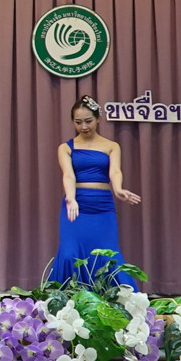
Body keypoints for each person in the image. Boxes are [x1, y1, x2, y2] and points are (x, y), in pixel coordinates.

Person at [47, 95, 141, 289]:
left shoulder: (111, 146)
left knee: (108, 254)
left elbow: (115, 171)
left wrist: (118, 189)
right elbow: (68, 175)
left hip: (102, 206)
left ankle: (115, 299)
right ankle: (69, 298)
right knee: (69, 254)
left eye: (88, 121)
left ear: (98, 119)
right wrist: (71, 199)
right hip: (76, 206)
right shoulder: (65, 148)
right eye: (78, 122)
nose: (84, 126)